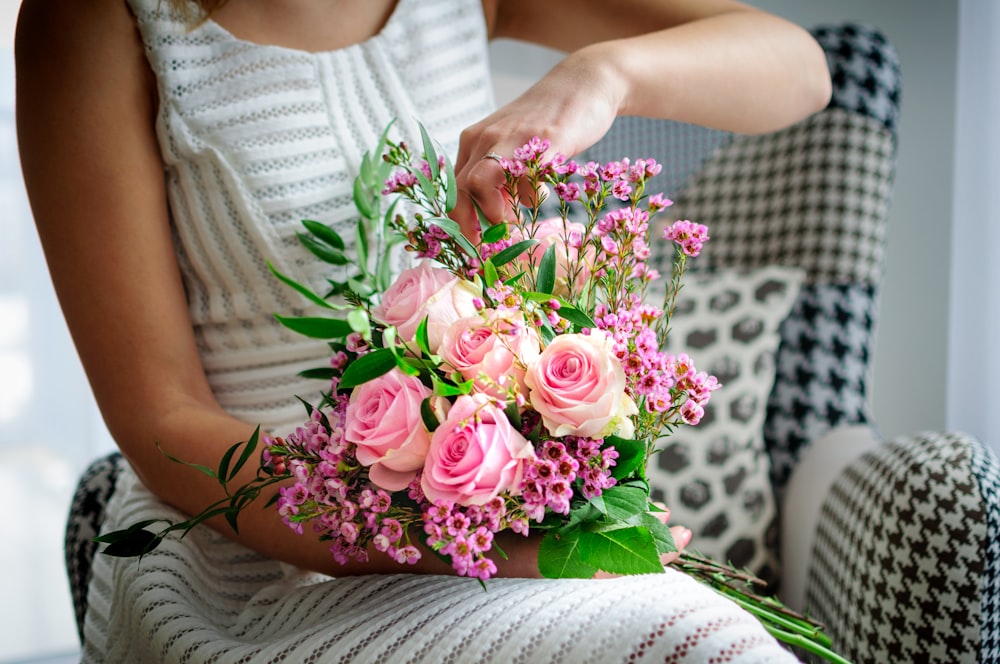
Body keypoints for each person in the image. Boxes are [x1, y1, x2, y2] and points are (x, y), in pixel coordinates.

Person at [16, 0, 831, 661]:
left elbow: (800, 68)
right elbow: (161, 423)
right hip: (245, 571)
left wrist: (601, 72)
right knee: (699, 641)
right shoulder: (97, 19)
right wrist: (483, 539)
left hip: (477, 539)